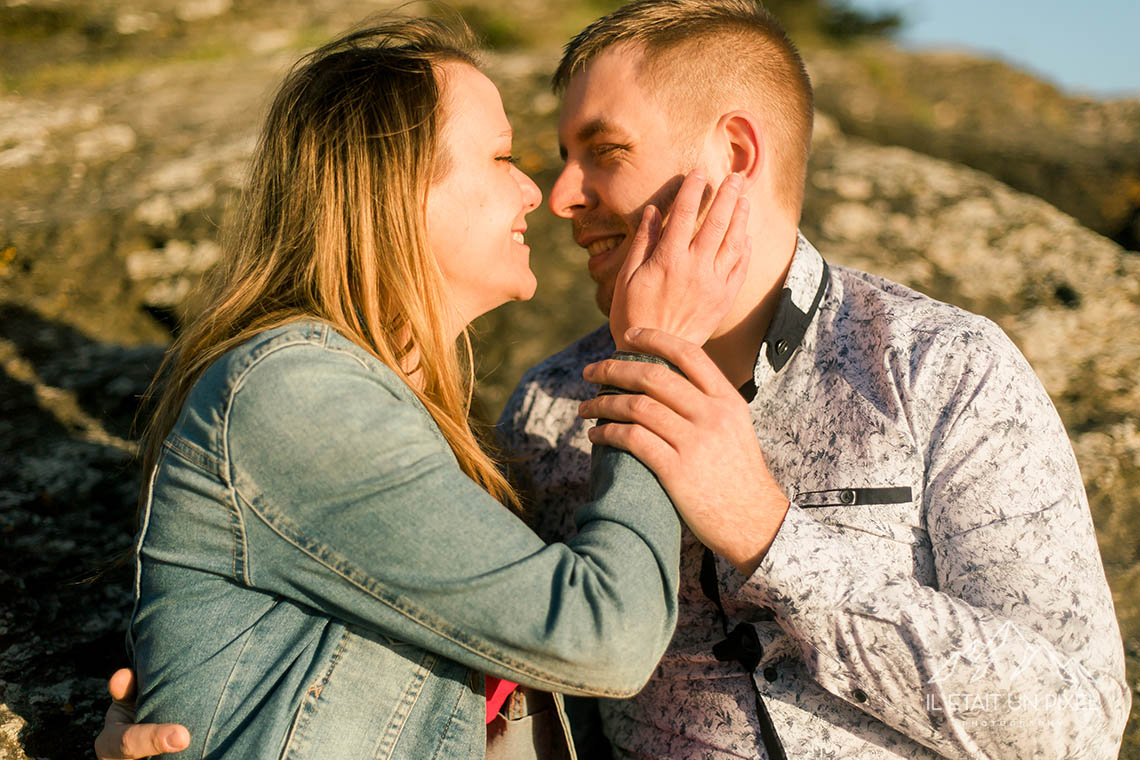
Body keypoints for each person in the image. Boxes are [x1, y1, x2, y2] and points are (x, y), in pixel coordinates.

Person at [98, 1, 1132, 758]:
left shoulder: (940, 371)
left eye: (602, 152)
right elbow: (538, 673)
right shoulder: (546, 409)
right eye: (541, 157)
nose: (558, 196)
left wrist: (778, 542)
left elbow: (1079, 724)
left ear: (732, 154)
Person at [101, 13, 756, 760]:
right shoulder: (294, 393)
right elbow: (604, 635)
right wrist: (656, 351)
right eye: (503, 157)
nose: (536, 193)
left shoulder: (411, 420)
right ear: (399, 189)